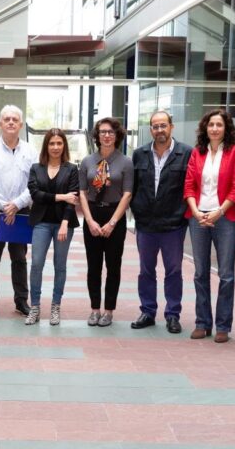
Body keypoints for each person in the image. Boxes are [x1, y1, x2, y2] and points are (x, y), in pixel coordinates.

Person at [184, 109, 235, 343]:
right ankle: (202, 323)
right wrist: (197, 212)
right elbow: (189, 185)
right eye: (211, 124)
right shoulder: (197, 153)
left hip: (226, 219)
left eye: (219, 125)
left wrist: (218, 212)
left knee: (226, 275)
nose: (214, 129)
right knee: (200, 273)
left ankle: (223, 325)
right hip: (198, 217)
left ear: (226, 128)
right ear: (205, 128)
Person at [129, 110, 192, 334]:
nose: (159, 130)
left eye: (163, 125)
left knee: (173, 271)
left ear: (171, 127)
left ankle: (173, 314)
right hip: (146, 225)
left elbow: (190, 188)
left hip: (173, 226)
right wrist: (138, 212)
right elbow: (132, 188)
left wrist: (181, 214)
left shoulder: (186, 153)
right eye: (155, 126)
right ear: (151, 130)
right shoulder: (139, 154)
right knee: (146, 271)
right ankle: (147, 311)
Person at [0, 105, 37, 317]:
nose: (11, 122)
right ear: (0, 124)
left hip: (22, 212)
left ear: (20, 125)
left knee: (19, 258)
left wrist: (17, 204)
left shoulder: (31, 151)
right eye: (7, 119)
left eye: (15, 119)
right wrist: (5, 205)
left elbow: (35, 183)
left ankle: (21, 301)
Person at [79, 117, 133, 327]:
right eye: (102, 132)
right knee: (93, 266)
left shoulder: (126, 162)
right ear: (97, 136)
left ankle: (109, 310)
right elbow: (82, 193)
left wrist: (112, 223)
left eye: (110, 132)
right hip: (92, 215)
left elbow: (127, 194)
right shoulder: (87, 161)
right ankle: (94, 309)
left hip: (115, 216)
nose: (106, 135)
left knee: (113, 265)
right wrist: (90, 221)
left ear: (117, 135)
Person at [25, 129, 79, 326]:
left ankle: (56, 306)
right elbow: (35, 194)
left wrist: (65, 222)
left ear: (64, 145)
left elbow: (73, 199)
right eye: (52, 143)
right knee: (36, 263)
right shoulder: (36, 168)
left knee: (60, 265)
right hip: (41, 222)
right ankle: (35, 307)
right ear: (46, 146)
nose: (55, 147)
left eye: (59, 143)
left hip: (63, 224)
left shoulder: (71, 169)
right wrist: (61, 196)